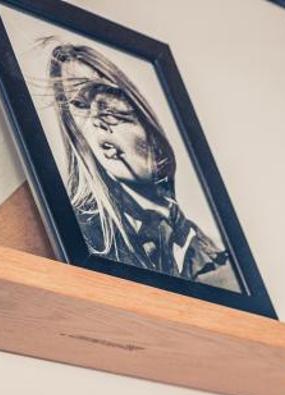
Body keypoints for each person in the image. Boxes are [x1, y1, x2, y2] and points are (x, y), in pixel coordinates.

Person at [41, 42, 240, 292]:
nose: (97, 121)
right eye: (79, 105)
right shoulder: (87, 233)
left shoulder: (206, 245)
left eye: (109, 103)